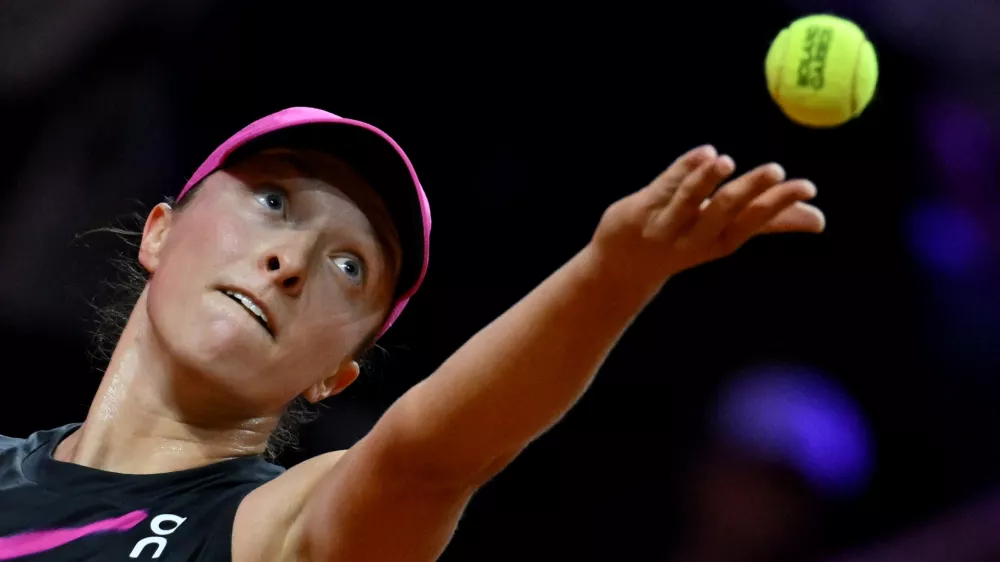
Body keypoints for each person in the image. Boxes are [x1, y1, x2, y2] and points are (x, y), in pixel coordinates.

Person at [0, 106, 825, 561]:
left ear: (336, 377)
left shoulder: (273, 532)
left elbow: (427, 462)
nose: (290, 260)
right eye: (275, 200)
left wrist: (613, 275)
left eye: (350, 266)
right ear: (159, 232)